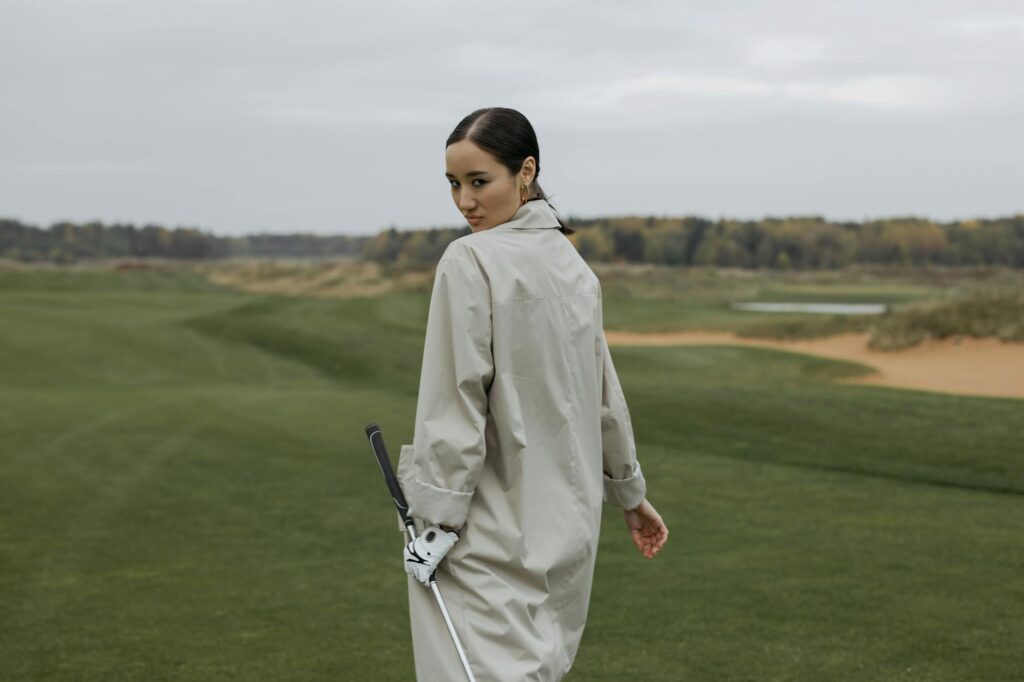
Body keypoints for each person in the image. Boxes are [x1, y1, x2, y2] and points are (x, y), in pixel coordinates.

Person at [396, 107, 669, 681]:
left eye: (479, 182)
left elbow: (455, 403)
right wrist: (628, 492)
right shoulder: (574, 267)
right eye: (453, 184)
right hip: (566, 530)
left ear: (526, 172)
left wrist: (434, 525)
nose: (465, 202)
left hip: (486, 534)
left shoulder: (468, 260)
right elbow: (603, 395)